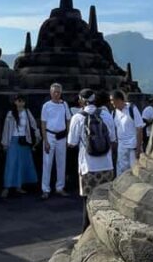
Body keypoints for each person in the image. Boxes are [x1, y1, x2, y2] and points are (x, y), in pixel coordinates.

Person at [67, 89, 116, 230]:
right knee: (106, 199)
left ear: (81, 100)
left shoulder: (78, 117)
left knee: (87, 200)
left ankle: (87, 230)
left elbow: (72, 142)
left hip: (87, 166)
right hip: (106, 165)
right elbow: (112, 138)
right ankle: (106, 228)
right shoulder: (106, 114)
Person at [0, 94, 41, 198]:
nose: (21, 103)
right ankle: (7, 187)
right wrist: (5, 143)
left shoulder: (27, 112)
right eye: (19, 101)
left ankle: (19, 186)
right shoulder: (10, 113)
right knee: (11, 164)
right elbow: (6, 129)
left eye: (22, 101)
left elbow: (33, 124)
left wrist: (37, 136)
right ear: (15, 102)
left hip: (24, 140)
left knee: (22, 164)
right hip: (13, 140)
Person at [40, 83, 72, 199]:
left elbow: (68, 120)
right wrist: (46, 140)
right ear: (50, 93)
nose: (56, 94)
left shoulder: (64, 105)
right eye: (54, 92)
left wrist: (68, 135)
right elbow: (43, 124)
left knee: (61, 162)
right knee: (47, 163)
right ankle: (45, 189)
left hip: (62, 136)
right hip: (50, 135)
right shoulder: (46, 106)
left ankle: (60, 187)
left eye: (58, 92)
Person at [111, 90, 144, 175]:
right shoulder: (114, 113)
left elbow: (139, 128)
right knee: (122, 171)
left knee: (135, 170)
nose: (112, 103)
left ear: (119, 100)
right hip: (121, 146)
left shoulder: (131, 108)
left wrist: (138, 147)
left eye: (113, 100)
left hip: (133, 146)